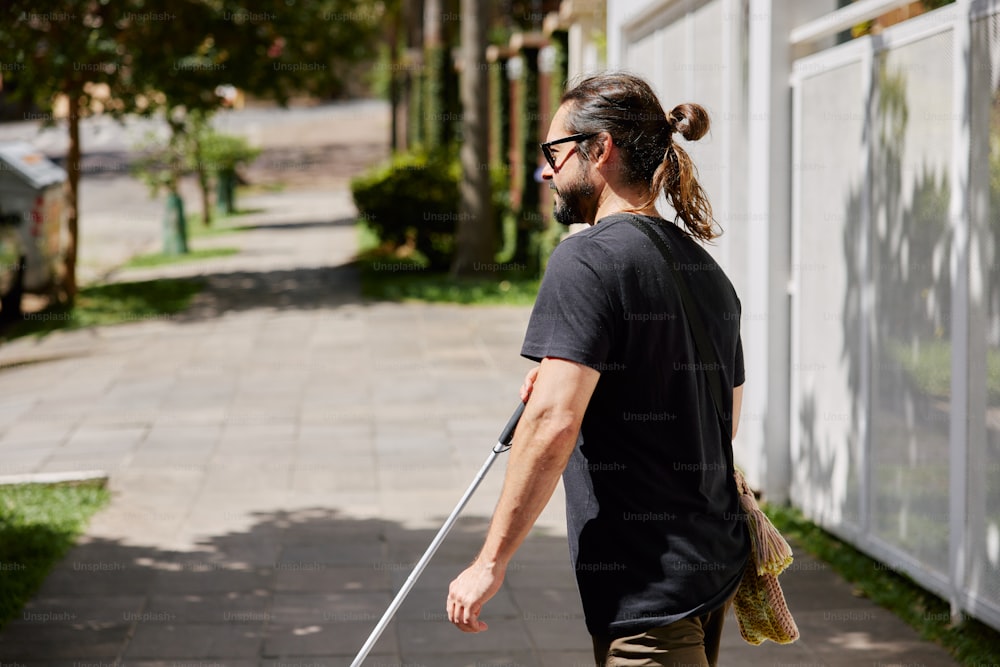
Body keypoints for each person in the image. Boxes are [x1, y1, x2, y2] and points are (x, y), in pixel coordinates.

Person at [446, 72, 749, 667]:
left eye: (554, 153)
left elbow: (553, 422)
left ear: (600, 149)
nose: (547, 172)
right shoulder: (704, 268)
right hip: (711, 568)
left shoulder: (585, 257)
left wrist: (490, 562)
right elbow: (721, 421)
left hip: (648, 589)